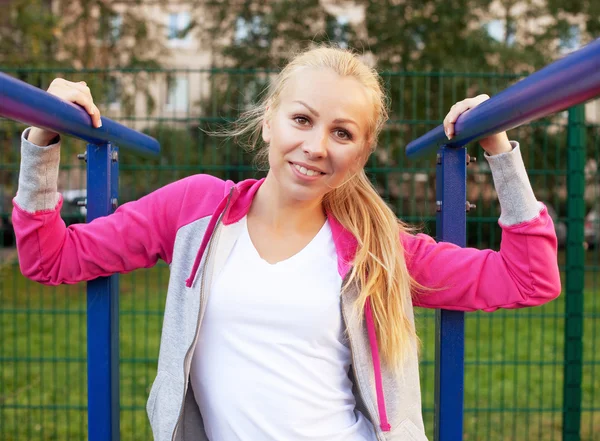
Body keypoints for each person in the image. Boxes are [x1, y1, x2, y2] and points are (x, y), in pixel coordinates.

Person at [12, 46, 561, 441]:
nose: (316, 146)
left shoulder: (375, 249)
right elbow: (50, 257)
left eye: (342, 133)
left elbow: (529, 278)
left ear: (360, 152)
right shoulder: (195, 211)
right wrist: (44, 136)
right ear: (269, 122)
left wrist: (497, 146)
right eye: (302, 119)